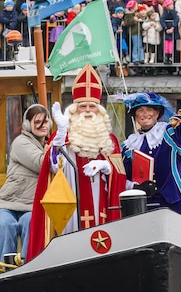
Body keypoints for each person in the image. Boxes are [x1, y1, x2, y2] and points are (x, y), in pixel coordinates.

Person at [26, 64, 128, 261]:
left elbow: (120, 176)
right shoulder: (62, 135)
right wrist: (61, 137)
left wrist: (106, 167)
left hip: (101, 206)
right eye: (83, 106)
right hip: (71, 204)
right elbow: (52, 168)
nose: (88, 111)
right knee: (71, 244)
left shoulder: (110, 139)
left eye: (92, 106)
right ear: (74, 108)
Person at [120, 66, 181, 217]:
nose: (145, 114)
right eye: (140, 111)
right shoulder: (128, 146)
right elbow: (122, 178)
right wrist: (136, 186)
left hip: (173, 201)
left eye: (149, 110)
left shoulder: (170, 134)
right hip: (142, 204)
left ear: (157, 113)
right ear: (135, 116)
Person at [0, 104, 49, 262]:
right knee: (4, 224)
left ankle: (27, 265)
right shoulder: (20, 143)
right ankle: (6, 268)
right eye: (37, 122)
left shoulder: (48, 145)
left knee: (30, 222)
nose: (43, 126)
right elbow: (42, 163)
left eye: (46, 121)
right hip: (7, 203)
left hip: (31, 206)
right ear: (27, 124)